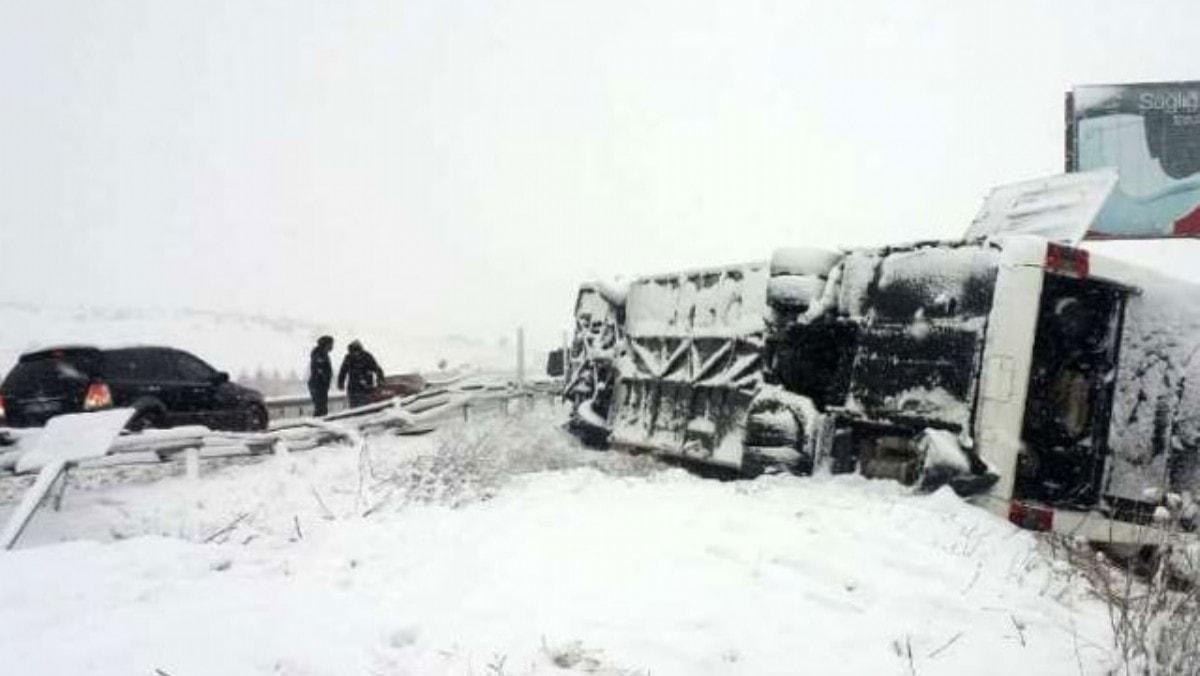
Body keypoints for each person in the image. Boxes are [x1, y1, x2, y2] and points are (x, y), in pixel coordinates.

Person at [338, 339, 385, 408]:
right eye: (352, 352)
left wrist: (380, 380)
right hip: (353, 388)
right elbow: (343, 371)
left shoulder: (367, 357)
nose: (355, 354)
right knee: (354, 406)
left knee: (366, 406)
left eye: (356, 351)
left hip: (367, 388)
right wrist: (340, 383)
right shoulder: (348, 358)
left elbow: (377, 369)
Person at [308, 335, 335, 416]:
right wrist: (325, 379)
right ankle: (318, 425)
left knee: (321, 408)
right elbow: (320, 369)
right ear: (326, 344)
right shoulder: (319, 354)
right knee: (321, 409)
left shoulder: (321, 354)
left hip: (319, 385)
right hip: (318, 385)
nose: (332, 347)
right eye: (331, 344)